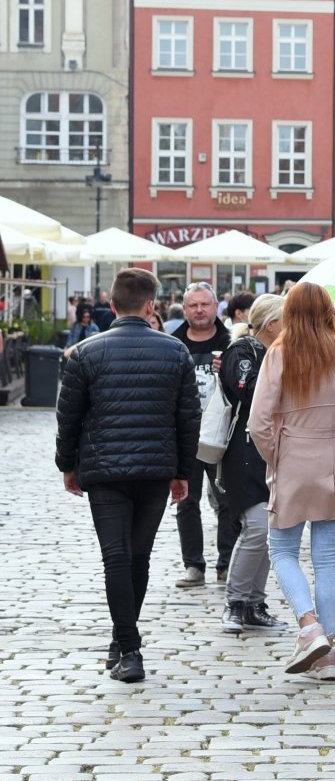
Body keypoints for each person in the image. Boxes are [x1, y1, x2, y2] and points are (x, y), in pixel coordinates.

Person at [55, 267, 200, 683]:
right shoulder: (175, 352)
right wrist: (182, 471)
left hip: (105, 470)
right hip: (155, 470)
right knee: (138, 555)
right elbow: (188, 418)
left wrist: (68, 465)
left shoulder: (86, 352)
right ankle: (125, 642)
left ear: (112, 305)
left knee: (115, 557)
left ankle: (127, 645)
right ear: (151, 306)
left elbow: (69, 417)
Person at [250, 282, 335, 680]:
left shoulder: (280, 354)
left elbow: (258, 423)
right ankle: (327, 654)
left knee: (282, 549)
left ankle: (309, 627)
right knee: (326, 557)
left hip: (295, 459)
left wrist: (277, 456)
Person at [218, 294, 289, 634]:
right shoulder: (244, 351)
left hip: (276, 451)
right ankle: (234, 602)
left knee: (270, 531)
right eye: (286, 320)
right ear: (272, 323)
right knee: (258, 527)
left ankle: (254, 604)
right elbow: (244, 391)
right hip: (243, 451)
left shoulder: (282, 352)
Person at [171, 282, 241, 588]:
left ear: (216, 307)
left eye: (205, 304)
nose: (199, 310)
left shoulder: (232, 342)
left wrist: (227, 370)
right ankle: (193, 565)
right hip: (184, 434)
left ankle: (227, 563)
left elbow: (246, 387)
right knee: (186, 500)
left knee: (227, 499)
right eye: (193, 305)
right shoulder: (172, 343)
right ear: (184, 309)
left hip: (222, 434)